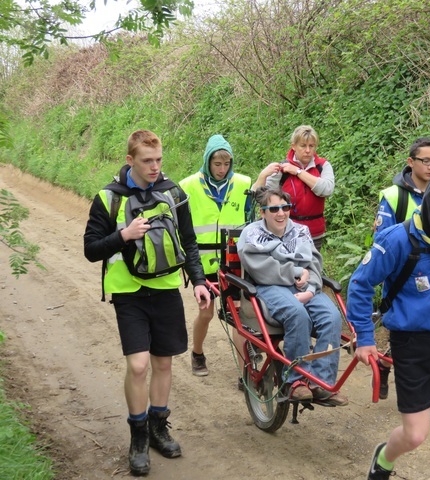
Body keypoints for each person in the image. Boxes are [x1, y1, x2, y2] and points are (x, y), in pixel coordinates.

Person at [84, 130, 211, 476]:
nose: (155, 167)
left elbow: (189, 241)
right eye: (147, 161)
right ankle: (138, 436)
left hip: (167, 289)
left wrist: (199, 281)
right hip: (128, 294)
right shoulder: (108, 198)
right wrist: (123, 235)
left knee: (164, 364)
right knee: (139, 365)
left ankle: (158, 427)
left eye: (158, 160)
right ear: (130, 161)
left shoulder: (173, 193)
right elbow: (91, 249)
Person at [347, 170, 430, 480]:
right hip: (412, 343)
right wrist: (365, 337)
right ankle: (384, 457)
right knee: (416, 434)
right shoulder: (397, 239)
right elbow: (360, 284)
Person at [237, 187, 348, 406]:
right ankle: (296, 381)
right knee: (297, 314)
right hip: (271, 285)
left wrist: (311, 288)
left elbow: (315, 264)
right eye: (274, 208)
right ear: (262, 212)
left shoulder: (301, 231)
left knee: (332, 316)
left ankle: (320, 382)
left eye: (285, 207)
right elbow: (260, 268)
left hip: (305, 286)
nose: (281, 213)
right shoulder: (251, 234)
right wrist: (296, 272)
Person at [373, 137, 430, 422]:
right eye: (425, 161)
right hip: (404, 277)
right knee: (415, 335)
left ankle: (391, 367)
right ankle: (426, 397)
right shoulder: (392, 196)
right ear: (410, 162)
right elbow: (382, 240)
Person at [179, 134, 252, 379]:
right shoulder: (188, 186)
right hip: (203, 264)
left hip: (234, 262)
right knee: (207, 313)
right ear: (207, 162)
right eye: (217, 164)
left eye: (226, 164)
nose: (222, 169)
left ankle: (246, 375)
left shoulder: (243, 184)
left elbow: (252, 219)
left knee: (238, 315)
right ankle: (197, 353)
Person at [253, 125, 334, 250]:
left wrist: (298, 171)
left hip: (315, 233)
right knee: (289, 267)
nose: (307, 150)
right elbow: (260, 197)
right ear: (293, 146)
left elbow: (327, 189)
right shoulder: (283, 169)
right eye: (303, 146)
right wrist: (262, 175)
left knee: (312, 268)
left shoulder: (322, 166)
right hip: (286, 231)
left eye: (311, 146)